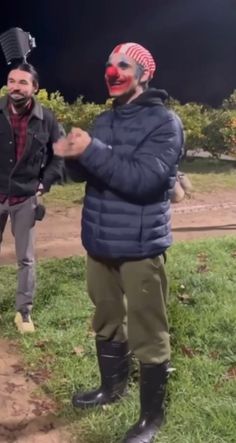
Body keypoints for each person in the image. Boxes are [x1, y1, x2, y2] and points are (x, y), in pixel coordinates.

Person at [54, 42, 184, 443]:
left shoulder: (165, 123)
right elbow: (87, 174)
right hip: (99, 240)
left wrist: (92, 150)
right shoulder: (104, 121)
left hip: (140, 247)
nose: (112, 72)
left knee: (148, 329)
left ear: (144, 74)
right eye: (108, 65)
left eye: (123, 65)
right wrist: (72, 156)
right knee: (107, 317)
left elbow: (144, 181)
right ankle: (111, 389)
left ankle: (151, 418)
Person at [0, 62, 64, 333]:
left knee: (26, 258)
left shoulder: (46, 118)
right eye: (12, 81)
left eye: (23, 82)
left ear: (34, 88)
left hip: (26, 197)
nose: (16, 86)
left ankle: (23, 314)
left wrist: (44, 183)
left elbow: (59, 153)